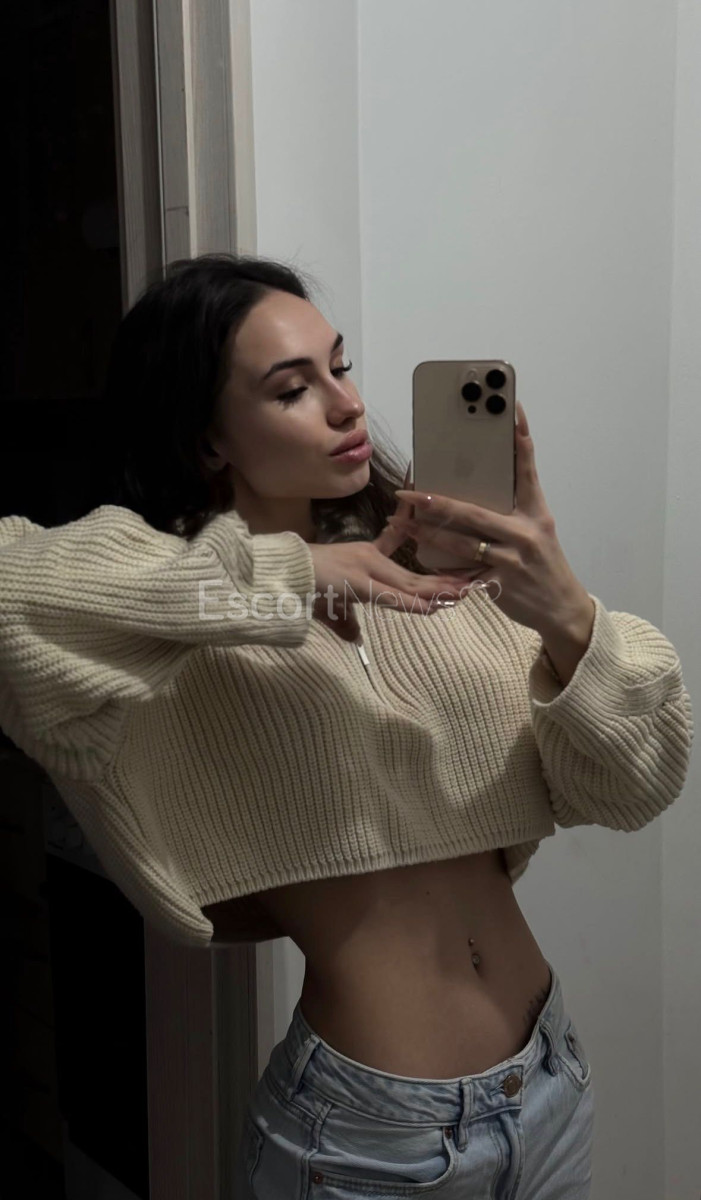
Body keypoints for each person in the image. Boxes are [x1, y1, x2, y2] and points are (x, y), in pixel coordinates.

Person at [0, 254, 693, 1199]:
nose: (347, 405)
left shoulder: (445, 574)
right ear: (208, 439)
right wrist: (297, 575)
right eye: (293, 388)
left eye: (341, 366)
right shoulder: (178, 615)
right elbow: (15, 594)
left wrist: (564, 611)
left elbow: (635, 787)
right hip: (370, 1140)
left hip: (550, 1085)